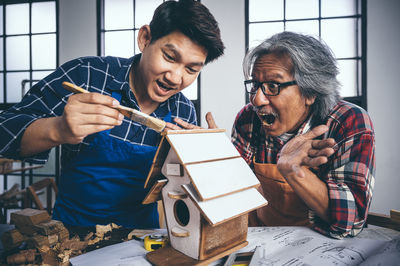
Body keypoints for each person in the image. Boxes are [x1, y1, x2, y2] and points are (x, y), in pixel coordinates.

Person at [0, 0, 224, 229]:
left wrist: (202, 160)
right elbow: (4, 132)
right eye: (169, 57)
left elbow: (179, 194)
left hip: (140, 237)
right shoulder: (86, 75)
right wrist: (58, 129)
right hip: (72, 233)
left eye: (191, 69)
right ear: (145, 38)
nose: (176, 78)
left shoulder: (183, 111)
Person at [231, 31, 375, 239]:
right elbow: (234, 192)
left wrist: (295, 171)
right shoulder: (248, 119)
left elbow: (351, 223)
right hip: (259, 239)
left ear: (310, 92)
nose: (257, 100)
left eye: (273, 86)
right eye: (255, 85)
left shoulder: (349, 123)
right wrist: (216, 160)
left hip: (320, 247)